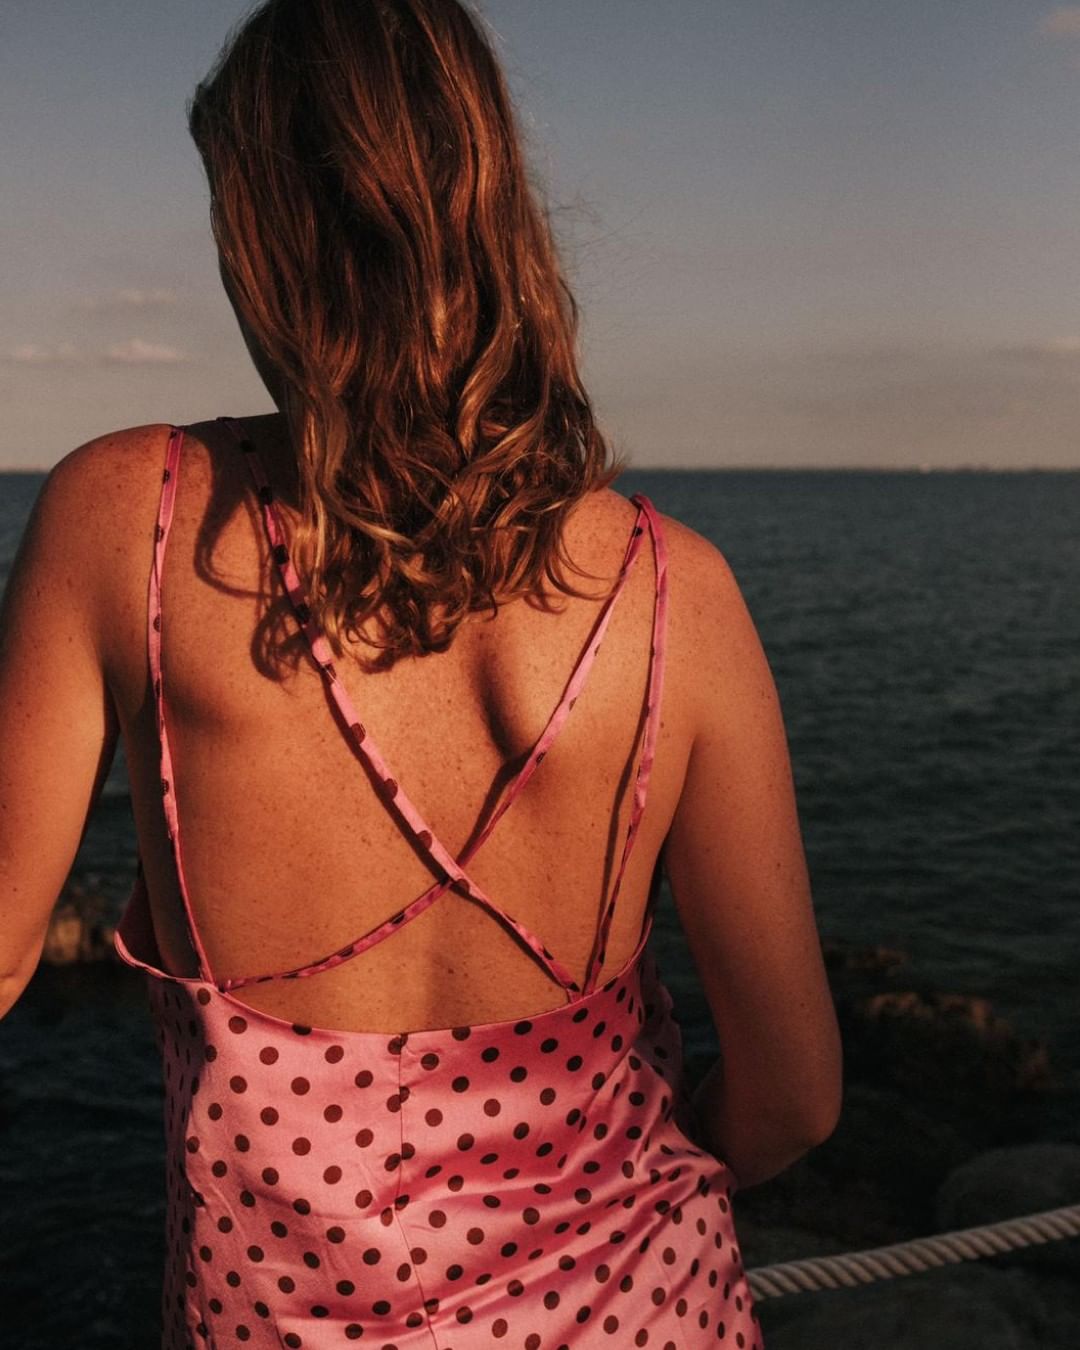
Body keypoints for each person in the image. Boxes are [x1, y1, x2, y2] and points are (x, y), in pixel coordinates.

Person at [0, 1, 842, 1345]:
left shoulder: (131, 521)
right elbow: (795, 1094)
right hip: (649, 1304)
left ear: (267, 239)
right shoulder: (676, 596)